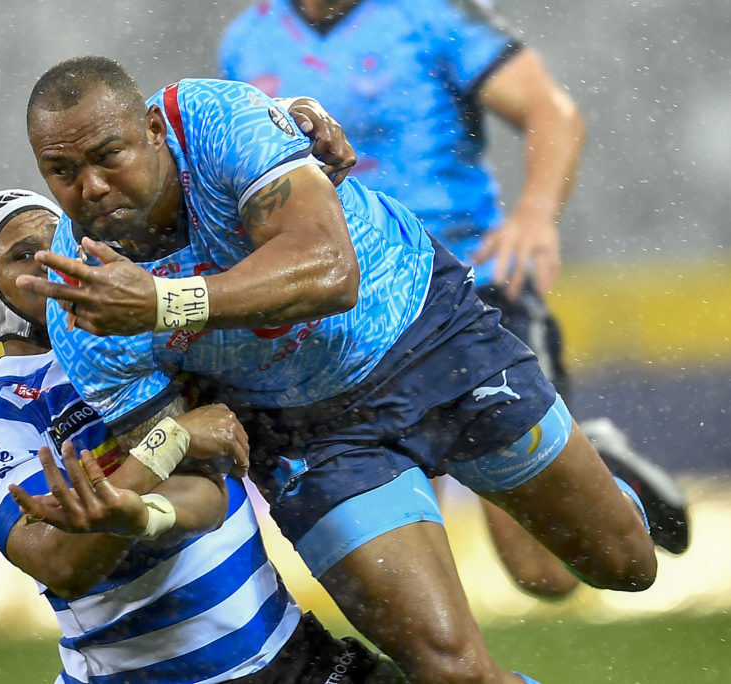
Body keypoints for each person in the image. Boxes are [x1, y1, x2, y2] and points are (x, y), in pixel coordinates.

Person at [17, 54, 674, 683]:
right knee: (448, 670)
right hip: (307, 434)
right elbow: (207, 487)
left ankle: (612, 468)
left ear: (155, 131)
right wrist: (143, 511)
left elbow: (332, 272)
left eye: (109, 156)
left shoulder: (210, 120)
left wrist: (162, 303)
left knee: (625, 566)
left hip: (424, 333)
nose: (93, 188)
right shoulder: (83, 313)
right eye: (62, 170)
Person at [218, 0, 690, 598]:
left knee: (544, 573)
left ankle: (600, 460)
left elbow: (551, 110)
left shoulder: (432, 14)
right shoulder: (247, 41)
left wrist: (535, 214)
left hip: (468, 297)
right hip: (352, 321)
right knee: (407, 576)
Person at [0, 188, 405, 683]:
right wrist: (168, 443)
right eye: (23, 255)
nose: (54, 258)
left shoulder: (143, 331)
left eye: (60, 238)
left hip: (289, 656)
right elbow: (59, 563)